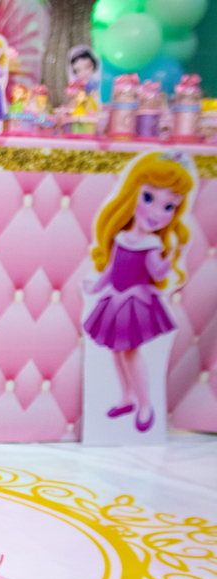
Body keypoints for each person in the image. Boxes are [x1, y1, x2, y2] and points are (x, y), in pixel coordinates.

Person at [83, 151, 193, 432]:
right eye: (148, 198)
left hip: (136, 303)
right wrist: (96, 286)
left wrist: (173, 257)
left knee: (130, 353)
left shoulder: (152, 245)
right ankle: (127, 398)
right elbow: (112, 268)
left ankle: (146, 404)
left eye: (169, 206)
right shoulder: (121, 237)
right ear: (132, 194)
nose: (156, 213)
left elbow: (158, 273)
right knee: (116, 352)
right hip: (115, 301)